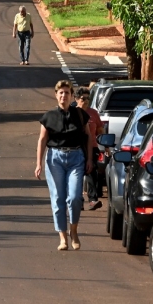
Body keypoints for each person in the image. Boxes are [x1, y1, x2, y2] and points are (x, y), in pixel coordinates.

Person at [36, 80, 95, 250]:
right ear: (56, 95)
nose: (64, 96)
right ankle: (62, 237)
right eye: (60, 93)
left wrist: (89, 159)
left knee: (75, 197)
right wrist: (38, 163)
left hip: (76, 157)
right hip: (55, 159)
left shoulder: (80, 115)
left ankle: (73, 230)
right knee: (58, 198)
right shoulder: (48, 117)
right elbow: (42, 140)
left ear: (71, 96)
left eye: (67, 93)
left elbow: (88, 136)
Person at [75, 87, 104, 210]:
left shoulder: (93, 113)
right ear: (76, 99)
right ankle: (78, 201)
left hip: (92, 148)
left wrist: (106, 146)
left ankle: (93, 200)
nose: (86, 101)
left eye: (88, 98)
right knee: (77, 175)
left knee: (92, 173)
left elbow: (100, 131)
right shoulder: (72, 113)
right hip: (76, 148)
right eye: (83, 98)